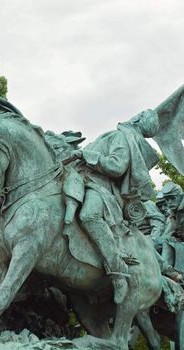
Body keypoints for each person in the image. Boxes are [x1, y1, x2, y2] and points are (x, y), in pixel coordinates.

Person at [69, 109, 160, 304]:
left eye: (141, 114)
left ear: (137, 119)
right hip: (79, 179)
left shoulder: (122, 137)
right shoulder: (118, 134)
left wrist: (88, 155)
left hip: (98, 187)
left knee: (89, 216)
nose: (136, 114)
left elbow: (117, 167)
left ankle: (118, 272)